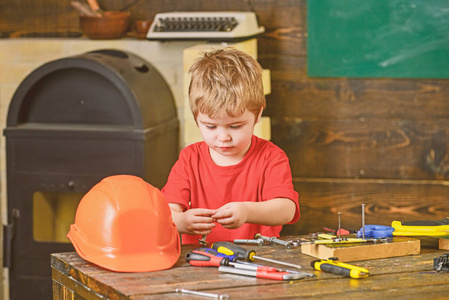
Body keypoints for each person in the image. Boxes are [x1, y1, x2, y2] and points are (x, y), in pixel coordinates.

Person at [161, 47, 299, 244]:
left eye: (235, 126)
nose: (223, 137)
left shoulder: (271, 157)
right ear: (196, 118)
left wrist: (247, 211)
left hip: (257, 260)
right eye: (210, 126)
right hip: (199, 262)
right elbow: (167, 211)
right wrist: (181, 222)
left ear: (258, 114)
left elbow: (286, 210)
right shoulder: (190, 159)